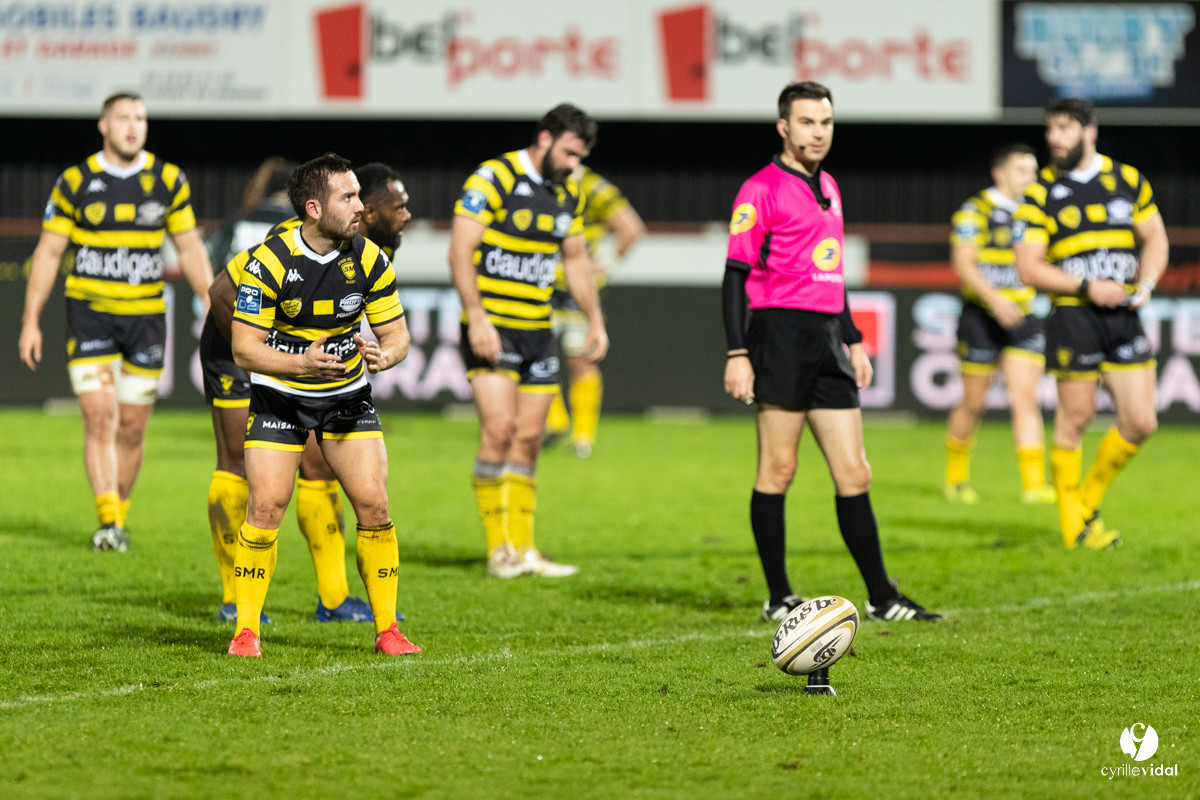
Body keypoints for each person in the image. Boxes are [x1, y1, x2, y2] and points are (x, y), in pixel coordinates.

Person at [722, 81, 942, 623]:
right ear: (784, 128)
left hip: (827, 338)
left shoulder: (832, 187)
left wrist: (853, 339)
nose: (817, 133)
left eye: (825, 123)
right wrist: (736, 352)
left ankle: (883, 598)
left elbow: (832, 274)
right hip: (778, 335)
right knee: (778, 468)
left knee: (856, 473)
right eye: (806, 123)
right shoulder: (760, 190)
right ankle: (778, 595)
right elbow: (733, 277)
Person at [225, 153, 419, 657]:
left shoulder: (371, 258)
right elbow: (244, 348)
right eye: (349, 197)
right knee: (265, 506)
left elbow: (399, 336)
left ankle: (387, 631)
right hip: (281, 396)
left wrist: (386, 355)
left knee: (375, 504)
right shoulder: (269, 260)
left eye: (359, 195)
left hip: (347, 396)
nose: (360, 207)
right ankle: (246, 631)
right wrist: (302, 364)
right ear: (314, 208)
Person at [18, 92, 214, 551]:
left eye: (141, 117)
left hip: (146, 316)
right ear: (103, 126)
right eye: (124, 117)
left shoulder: (167, 179)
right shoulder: (75, 181)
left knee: (132, 426)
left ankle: (118, 520)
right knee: (100, 416)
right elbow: (48, 252)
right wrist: (31, 319)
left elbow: (188, 248)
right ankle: (107, 519)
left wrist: (210, 300)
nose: (133, 125)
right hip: (90, 314)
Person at [449, 103, 609, 579]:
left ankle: (525, 548)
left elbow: (577, 260)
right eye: (568, 152)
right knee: (498, 430)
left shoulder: (570, 190)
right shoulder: (493, 178)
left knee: (531, 438)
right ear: (544, 139)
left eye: (580, 156)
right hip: (492, 326)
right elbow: (460, 252)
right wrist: (476, 317)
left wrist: (594, 318)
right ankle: (499, 550)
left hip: (539, 330)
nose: (574, 163)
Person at [1013, 98, 1168, 550]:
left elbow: (1155, 237)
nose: (1054, 138)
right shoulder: (1041, 191)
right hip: (1074, 314)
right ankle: (1072, 525)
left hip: (1123, 314)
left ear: (1089, 131)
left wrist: (1149, 282)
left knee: (1141, 422)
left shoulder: (1127, 179)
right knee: (1076, 417)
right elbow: (1028, 267)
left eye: (1063, 128)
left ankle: (1087, 498)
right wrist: (1085, 287)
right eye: (1051, 129)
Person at [944, 144, 1056, 505]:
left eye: (1034, 170)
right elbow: (963, 264)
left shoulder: (1038, 213)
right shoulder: (975, 210)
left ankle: (1034, 485)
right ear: (999, 173)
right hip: (981, 316)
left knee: (1026, 398)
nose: (1030, 177)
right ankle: (956, 477)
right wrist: (994, 299)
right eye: (1022, 169)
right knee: (973, 403)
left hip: (1023, 317)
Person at [544, 166, 646, 457]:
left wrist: (606, 265)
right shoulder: (588, 184)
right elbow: (632, 229)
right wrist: (608, 265)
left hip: (563, 286)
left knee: (548, 357)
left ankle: (563, 426)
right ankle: (578, 437)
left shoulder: (582, 185)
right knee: (571, 360)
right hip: (568, 287)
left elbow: (631, 229)